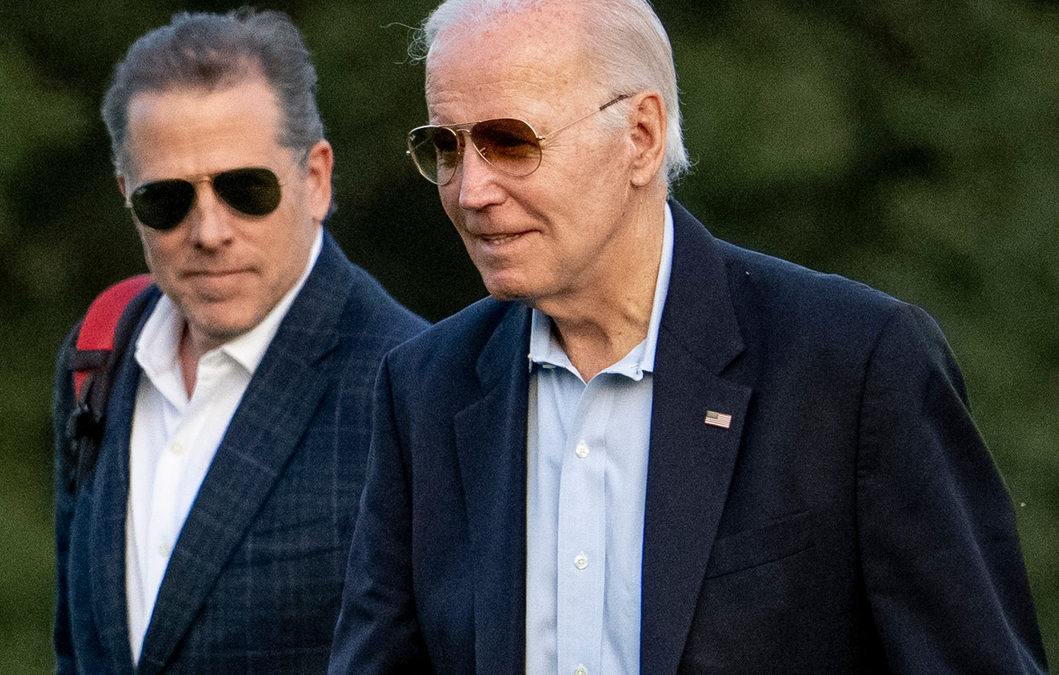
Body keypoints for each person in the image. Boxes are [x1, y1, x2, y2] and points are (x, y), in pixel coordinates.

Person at [328, 1, 1048, 673]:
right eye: (445, 147)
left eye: (509, 142)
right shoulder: (425, 386)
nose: (471, 190)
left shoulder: (853, 363)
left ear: (640, 137)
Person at [52, 9, 426, 674]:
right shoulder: (98, 354)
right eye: (166, 199)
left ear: (315, 179)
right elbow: (79, 648)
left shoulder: (414, 385)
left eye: (245, 189)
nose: (209, 230)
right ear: (126, 196)